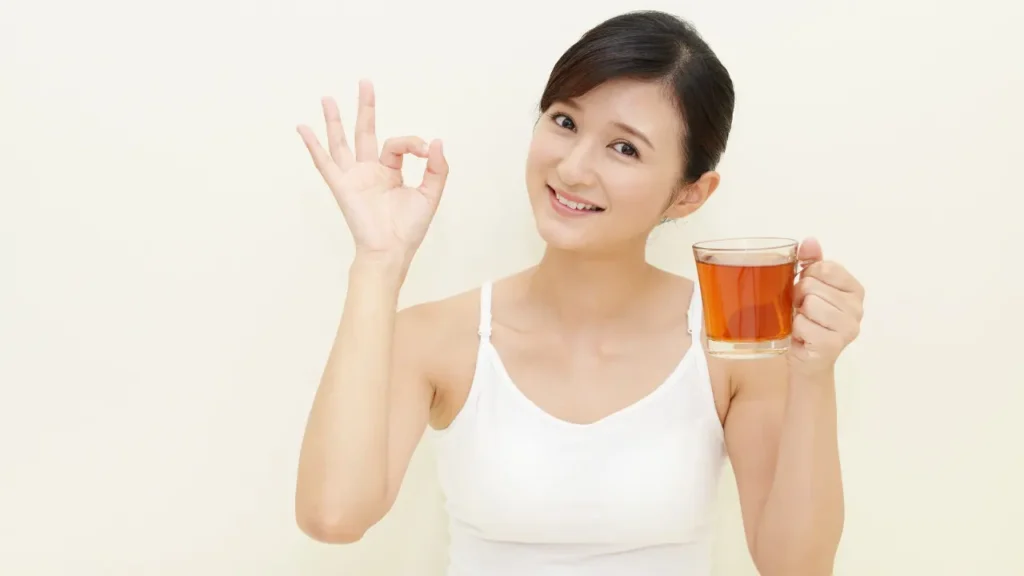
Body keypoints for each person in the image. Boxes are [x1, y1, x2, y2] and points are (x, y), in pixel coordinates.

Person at [293, 10, 865, 576]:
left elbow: (797, 566)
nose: (571, 168)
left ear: (690, 194)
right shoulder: (438, 338)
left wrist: (813, 372)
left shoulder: (730, 342)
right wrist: (378, 261)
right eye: (565, 121)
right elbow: (334, 516)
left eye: (625, 149)